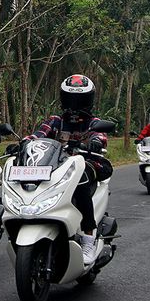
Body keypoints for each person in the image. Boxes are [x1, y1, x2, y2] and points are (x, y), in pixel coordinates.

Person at [28, 74, 112, 265]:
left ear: (88, 99)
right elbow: (38, 135)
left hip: (89, 163)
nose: (74, 105)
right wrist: (25, 142)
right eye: (70, 99)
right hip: (58, 165)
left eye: (79, 99)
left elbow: (100, 135)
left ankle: (89, 237)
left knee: (80, 179)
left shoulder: (93, 122)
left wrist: (96, 142)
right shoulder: (56, 120)